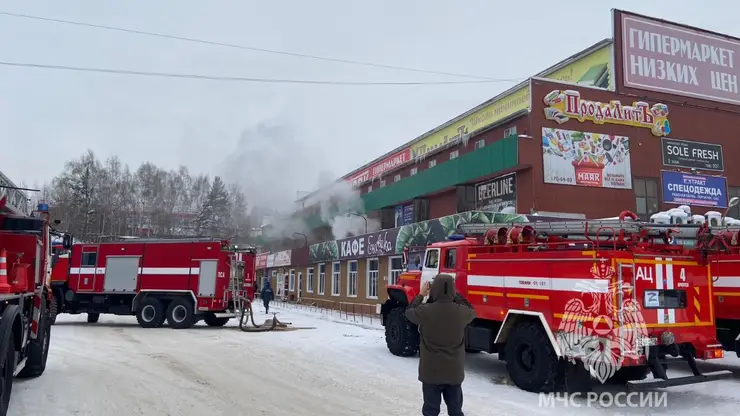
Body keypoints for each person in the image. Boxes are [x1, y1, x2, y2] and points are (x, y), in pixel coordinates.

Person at [405, 274, 476, 416]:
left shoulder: (425, 311)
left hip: (431, 373)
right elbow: (471, 310)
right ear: (452, 290)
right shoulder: (461, 312)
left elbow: (409, 312)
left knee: (431, 411)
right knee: (456, 411)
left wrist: (420, 294)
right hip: (453, 373)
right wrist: (455, 295)